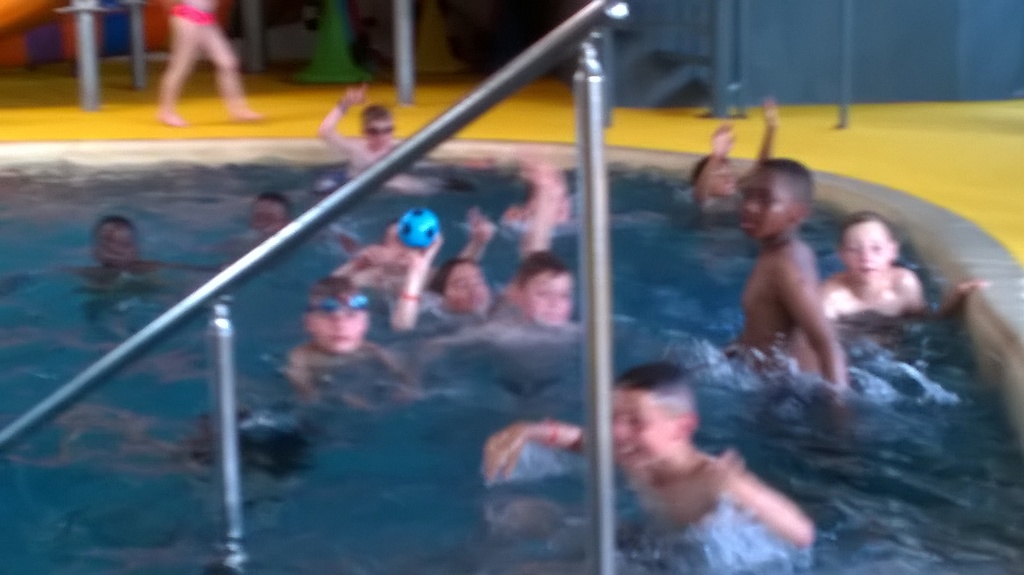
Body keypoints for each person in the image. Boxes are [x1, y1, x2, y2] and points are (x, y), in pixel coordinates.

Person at [482, 362, 815, 549]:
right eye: (614, 418)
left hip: (681, 563)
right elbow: (583, 440)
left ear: (682, 427)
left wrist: (743, 493)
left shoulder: (710, 480)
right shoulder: (640, 456)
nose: (618, 432)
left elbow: (803, 534)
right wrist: (528, 430)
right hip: (647, 544)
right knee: (517, 514)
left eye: (635, 422)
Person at [734, 159, 848, 387]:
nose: (749, 206)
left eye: (765, 200)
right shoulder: (779, 254)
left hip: (787, 392)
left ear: (798, 213)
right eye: (747, 195)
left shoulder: (786, 263)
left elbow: (826, 343)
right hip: (772, 381)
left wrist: (838, 404)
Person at [821, 211, 987, 339]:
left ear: (892, 251)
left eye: (876, 249)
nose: (866, 257)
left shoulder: (903, 285)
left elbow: (928, 324)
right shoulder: (832, 296)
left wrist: (956, 297)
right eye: (854, 250)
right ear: (841, 254)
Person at [286, 275, 415, 406]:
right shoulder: (302, 356)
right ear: (309, 324)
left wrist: (406, 388)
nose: (340, 326)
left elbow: (403, 374)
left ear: (365, 323)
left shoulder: (369, 349)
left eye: (351, 316)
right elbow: (306, 394)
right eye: (329, 317)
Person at [156, 0, 262, 127]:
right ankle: (166, 112)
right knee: (181, 67)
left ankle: (238, 109)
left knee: (227, 63)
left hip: (206, 20)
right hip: (188, 18)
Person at [390, 207, 497, 331]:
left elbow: (455, 272)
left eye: (478, 281)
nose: (474, 289)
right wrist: (416, 273)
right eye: (462, 285)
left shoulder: (500, 306)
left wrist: (477, 243)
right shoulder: (433, 309)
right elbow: (402, 327)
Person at [317, 84, 430, 195]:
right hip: (356, 189)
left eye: (387, 130)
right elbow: (325, 130)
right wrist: (344, 104)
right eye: (374, 131)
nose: (382, 137)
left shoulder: (399, 149)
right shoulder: (357, 150)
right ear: (364, 132)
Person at [691, 98, 778, 212]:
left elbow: (762, 169)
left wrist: (771, 129)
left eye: (730, 174)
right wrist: (715, 157)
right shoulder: (706, 202)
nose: (729, 179)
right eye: (720, 175)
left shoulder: (738, 192)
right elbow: (701, 194)